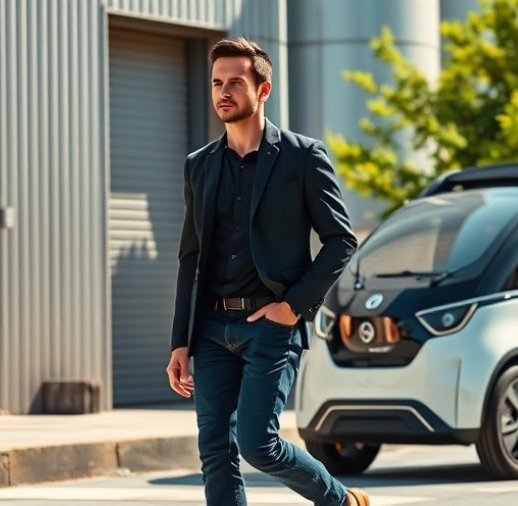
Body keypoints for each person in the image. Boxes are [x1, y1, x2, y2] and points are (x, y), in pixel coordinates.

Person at [165, 37, 367, 506]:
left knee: (259, 444)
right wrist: (180, 340)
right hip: (212, 327)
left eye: (235, 82)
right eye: (217, 82)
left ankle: (340, 501)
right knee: (215, 452)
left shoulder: (303, 156)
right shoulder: (199, 166)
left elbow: (341, 240)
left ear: (263, 89)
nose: (223, 92)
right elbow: (190, 257)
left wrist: (292, 308)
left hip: (271, 324)